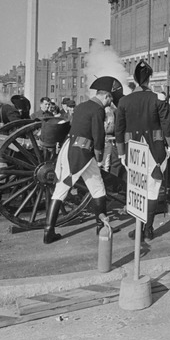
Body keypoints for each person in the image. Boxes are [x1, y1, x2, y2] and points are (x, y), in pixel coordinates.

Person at [43, 76, 122, 244]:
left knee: (60, 191)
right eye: (110, 99)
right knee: (98, 189)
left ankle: (48, 231)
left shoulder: (81, 106)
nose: (110, 103)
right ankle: (101, 226)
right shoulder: (97, 110)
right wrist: (99, 157)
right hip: (83, 154)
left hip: (69, 149)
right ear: (106, 96)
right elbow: (98, 135)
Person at [114, 60, 170, 241]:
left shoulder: (124, 101)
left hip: (131, 150)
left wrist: (121, 152)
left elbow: (119, 129)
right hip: (155, 151)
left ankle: (140, 229)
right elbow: (167, 126)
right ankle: (148, 229)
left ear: (134, 79)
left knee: (136, 188)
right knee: (152, 190)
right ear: (149, 79)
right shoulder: (157, 98)